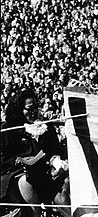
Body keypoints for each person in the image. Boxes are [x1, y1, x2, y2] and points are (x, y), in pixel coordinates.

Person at [0, 89, 70, 217]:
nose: (33, 112)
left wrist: (56, 161)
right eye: (29, 109)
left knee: (63, 185)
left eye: (35, 108)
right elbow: (3, 158)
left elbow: (53, 150)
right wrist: (19, 160)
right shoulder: (9, 129)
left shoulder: (45, 127)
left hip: (43, 172)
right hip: (16, 174)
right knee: (27, 182)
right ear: (20, 109)